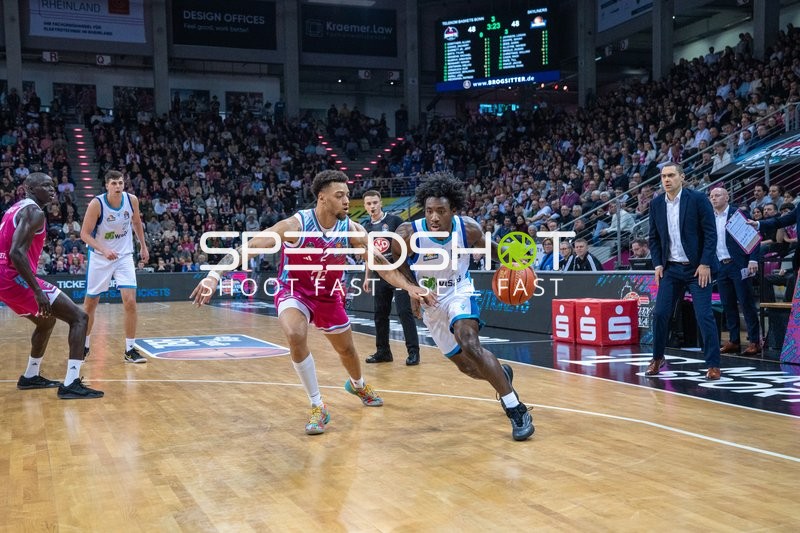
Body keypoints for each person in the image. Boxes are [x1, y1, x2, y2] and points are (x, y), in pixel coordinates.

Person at [191, 170, 434, 435]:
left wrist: (411, 287)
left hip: (329, 294)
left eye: (347, 196)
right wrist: (214, 275)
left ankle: (358, 383)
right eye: (339, 196)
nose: (346, 201)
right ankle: (318, 405)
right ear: (322, 198)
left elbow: (382, 265)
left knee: (348, 352)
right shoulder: (295, 226)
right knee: (295, 333)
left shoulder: (352, 229)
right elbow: (251, 246)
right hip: (294, 290)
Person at [391, 174, 534, 441]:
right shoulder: (409, 233)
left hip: (459, 290)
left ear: (453, 211)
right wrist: (413, 290)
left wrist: (516, 263)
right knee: (467, 367)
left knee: (469, 341)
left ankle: (517, 409)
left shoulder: (467, 228)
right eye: (429, 211)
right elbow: (398, 263)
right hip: (431, 299)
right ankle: (501, 375)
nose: (434, 217)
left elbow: (492, 250)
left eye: (441, 211)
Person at [0, 173, 102, 399]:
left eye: (52, 184)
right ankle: (72, 383)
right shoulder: (34, 212)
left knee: (46, 321)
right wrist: (37, 291)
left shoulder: (14, 209)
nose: (51, 188)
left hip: (3, 279)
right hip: (12, 276)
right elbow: (16, 252)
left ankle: (30, 376)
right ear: (29, 188)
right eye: (44, 185)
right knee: (79, 318)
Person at [647, 163, 721, 380]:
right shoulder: (656, 204)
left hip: (697, 269)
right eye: (663, 176)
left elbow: (710, 234)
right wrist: (658, 264)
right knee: (660, 313)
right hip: (670, 268)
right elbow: (654, 238)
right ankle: (657, 358)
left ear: (682, 177)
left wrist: (705, 263)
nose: (666, 180)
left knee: (704, 315)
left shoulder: (697, 199)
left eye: (671, 175)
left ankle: (713, 364)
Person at [80, 170, 149, 363]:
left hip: (124, 256)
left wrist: (143, 245)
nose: (118, 186)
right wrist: (103, 249)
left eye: (120, 183)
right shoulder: (97, 204)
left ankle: (130, 350)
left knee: (130, 302)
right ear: (107, 186)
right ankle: (83, 345)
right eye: (114, 183)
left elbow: (137, 223)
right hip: (100, 258)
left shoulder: (131, 200)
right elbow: (84, 234)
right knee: (90, 304)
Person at [360, 190, 421, 365]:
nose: (372, 206)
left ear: (381, 203)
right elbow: (368, 255)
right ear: (365, 206)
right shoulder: (366, 228)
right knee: (380, 314)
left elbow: (409, 241)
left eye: (375, 203)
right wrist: (367, 276)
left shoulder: (394, 221)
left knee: (404, 312)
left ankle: (413, 352)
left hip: (399, 273)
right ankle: (383, 352)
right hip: (380, 276)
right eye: (369, 204)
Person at [708, 187, 761, 356]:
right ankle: (734, 341)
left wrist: (752, 259)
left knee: (746, 303)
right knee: (727, 304)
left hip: (739, 265)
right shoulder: (710, 217)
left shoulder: (737, 214)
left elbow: (753, 236)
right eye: (711, 196)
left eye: (717, 195)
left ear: (727, 197)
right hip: (721, 265)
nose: (714, 199)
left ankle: (754, 341)